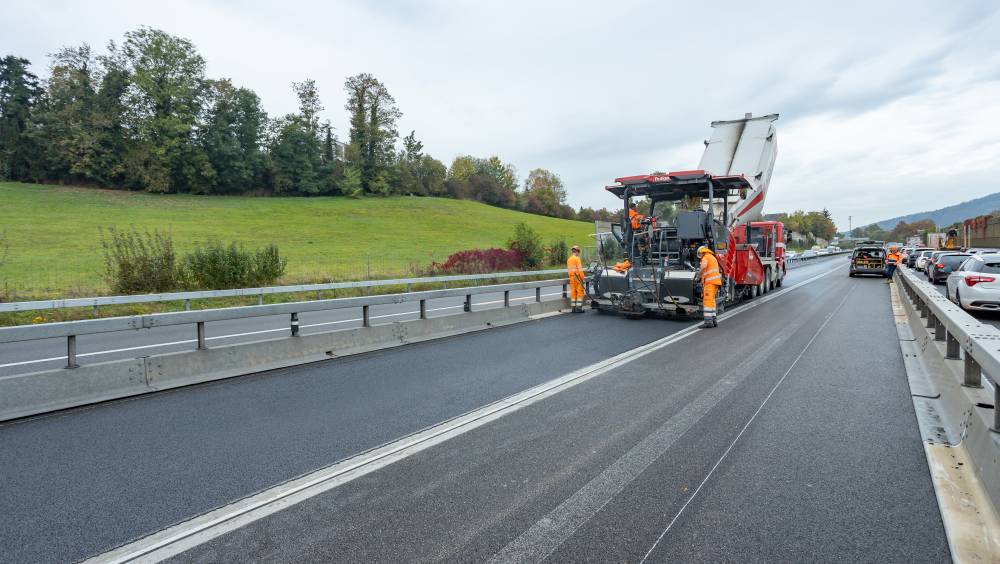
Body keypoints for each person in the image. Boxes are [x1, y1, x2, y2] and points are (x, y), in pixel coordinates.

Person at [697, 246, 722, 328]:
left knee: (707, 302)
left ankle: (708, 322)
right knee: (712, 302)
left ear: (701, 252)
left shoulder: (705, 257)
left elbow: (703, 267)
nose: (700, 256)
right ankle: (714, 320)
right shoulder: (712, 257)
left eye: (699, 255)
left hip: (710, 283)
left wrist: (698, 276)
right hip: (715, 282)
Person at [567, 245, 586, 313]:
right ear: (577, 252)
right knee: (579, 293)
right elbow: (580, 270)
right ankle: (578, 308)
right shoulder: (577, 259)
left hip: (571, 278)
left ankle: (573, 308)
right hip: (577, 278)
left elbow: (569, 270)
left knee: (573, 293)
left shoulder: (569, 259)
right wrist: (583, 278)